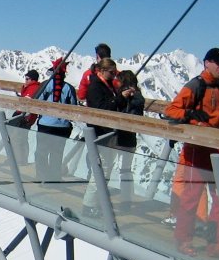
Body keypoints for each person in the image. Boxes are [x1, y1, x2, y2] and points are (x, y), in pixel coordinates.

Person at [164, 47, 219, 258]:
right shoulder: (197, 85)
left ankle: (216, 243)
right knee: (191, 198)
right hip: (198, 149)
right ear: (206, 63)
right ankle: (183, 240)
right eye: (216, 63)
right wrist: (191, 114)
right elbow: (171, 110)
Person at [82, 58, 122, 215]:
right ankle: (89, 205)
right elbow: (102, 109)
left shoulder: (104, 85)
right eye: (112, 73)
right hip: (100, 133)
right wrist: (119, 98)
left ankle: (95, 204)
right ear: (102, 71)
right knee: (101, 169)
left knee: (103, 169)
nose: (114, 75)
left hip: (103, 132)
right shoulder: (96, 87)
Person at [35, 59, 79, 181]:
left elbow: (37, 102)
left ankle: (41, 177)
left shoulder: (45, 85)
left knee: (41, 152)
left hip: (45, 124)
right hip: (62, 126)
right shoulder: (69, 88)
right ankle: (54, 178)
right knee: (57, 154)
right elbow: (74, 108)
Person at [115, 69, 145, 206]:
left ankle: (125, 199)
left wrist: (125, 97)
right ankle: (126, 199)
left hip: (121, 135)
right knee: (125, 169)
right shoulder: (138, 96)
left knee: (121, 168)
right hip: (129, 136)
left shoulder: (133, 97)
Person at [10, 70, 40, 164]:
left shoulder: (33, 88)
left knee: (17, 139)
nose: (25, 81)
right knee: (22, 138)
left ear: (32, 79)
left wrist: (18, 113)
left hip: (24, 117)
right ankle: (22, 159)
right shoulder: (32, 87)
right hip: (27, 117)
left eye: (27, 79)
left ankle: (18, 160)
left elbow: (27, 102)